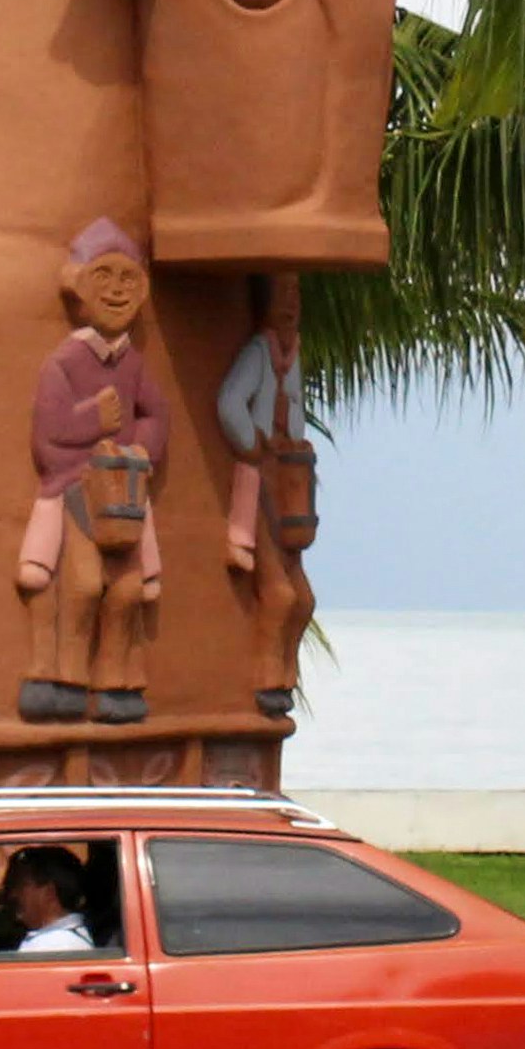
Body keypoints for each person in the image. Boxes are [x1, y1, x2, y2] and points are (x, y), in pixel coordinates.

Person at [17, 218, 168, 726]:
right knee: (78, 584)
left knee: (126, 590)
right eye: (104, 276)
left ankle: (118, 683)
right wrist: (92, 421)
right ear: (79, 285)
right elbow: (48, 436)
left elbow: (155, 415)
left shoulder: (133, 364)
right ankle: (60, 677)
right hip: (76, 492)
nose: (117, 291)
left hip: (122, 492)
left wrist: (139, 449)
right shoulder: (64, 361)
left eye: (128, 278)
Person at [217, 272, 316, 720]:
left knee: (304, 598)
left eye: (295, 294)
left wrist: (296, 446)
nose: (290, 304)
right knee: (276, 591)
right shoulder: (259, 352)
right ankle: (264, 675)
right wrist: (252, 440)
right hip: (261, 475)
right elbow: (230, 402)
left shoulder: (293, 355)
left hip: (289, 480)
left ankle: (286, 674)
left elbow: (294, 407)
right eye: (282, 295)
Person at [2, 845, 94, 955]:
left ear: (49, 893)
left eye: (21, 886)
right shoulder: (58, 940)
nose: (14, 894)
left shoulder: (56, 944)